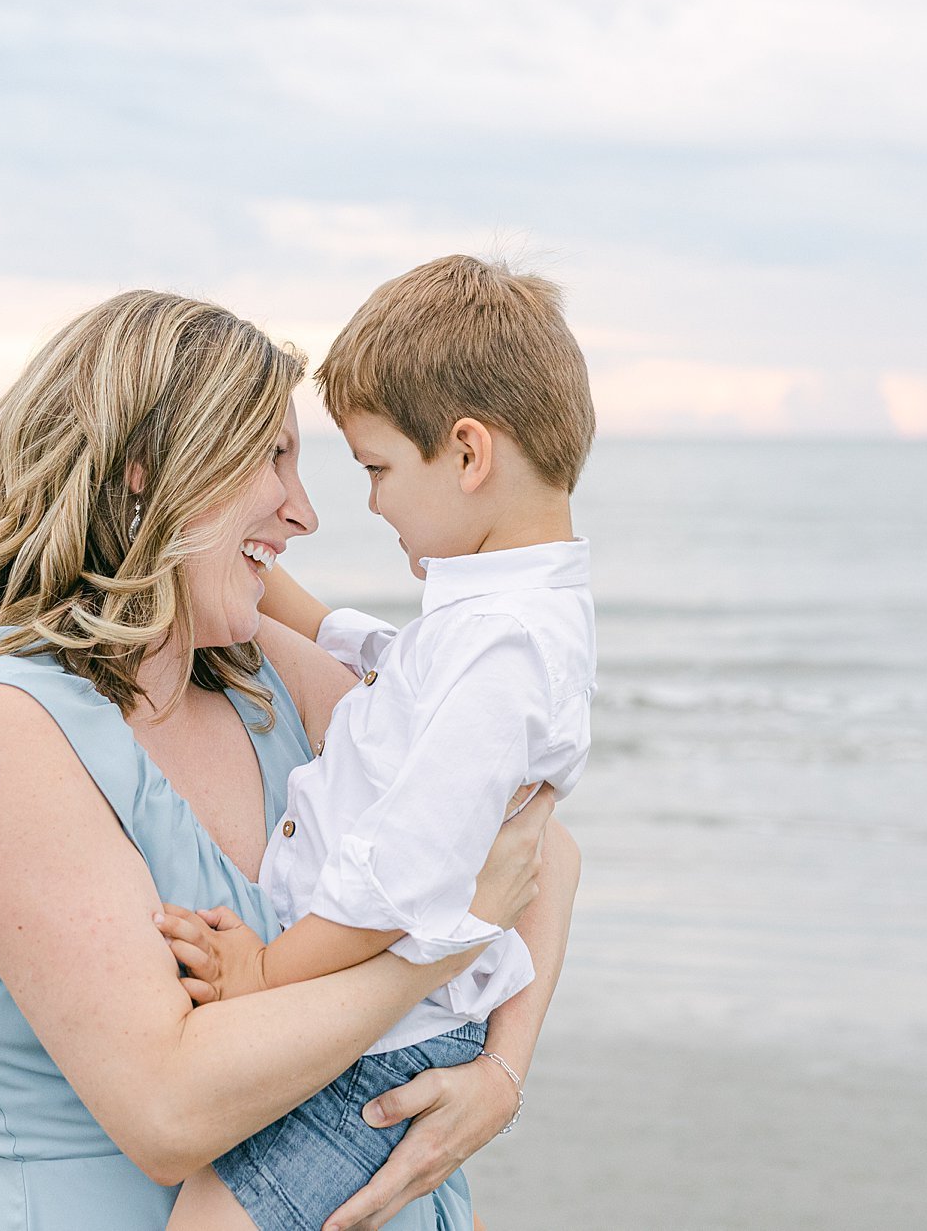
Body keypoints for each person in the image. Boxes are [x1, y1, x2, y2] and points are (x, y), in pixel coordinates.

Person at [0, 290, 581, 1231]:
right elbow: (167, 1109)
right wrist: (438, 950)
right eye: (273, 459)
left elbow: (534, 843)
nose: (304, 513)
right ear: (149, 471)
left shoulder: (264, 681)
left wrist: (503, 1070)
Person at [154, 256, 597, 1231]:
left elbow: (406, 875)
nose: (366, 502)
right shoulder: (504, 622)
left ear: (468, 453)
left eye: (376, 467)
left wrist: (263, 979)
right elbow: (395, 670)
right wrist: (256, 574)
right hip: (389, 1024)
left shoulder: (501, 646)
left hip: (387, 1043)